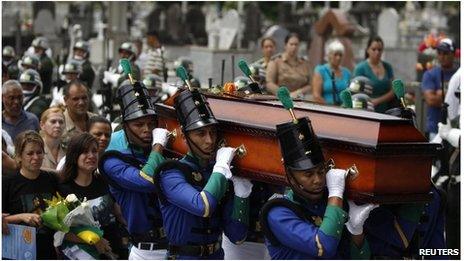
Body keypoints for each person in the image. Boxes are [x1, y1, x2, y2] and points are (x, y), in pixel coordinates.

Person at [260, 117, 377, 259]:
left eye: (321, 171)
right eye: (308, 175)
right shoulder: (278, 213)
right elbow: (323, 247)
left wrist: (356, 230)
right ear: (291, 177)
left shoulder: (332, 204)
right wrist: (336, 193)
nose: (318, 180)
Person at [154, 89, 251, 259]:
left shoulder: (220, 175)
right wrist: (221, 166)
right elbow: (202, 206)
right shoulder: (170, 172)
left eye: (213, 132)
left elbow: (237, 236)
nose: (210, 140)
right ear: (184, 136)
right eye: (201, 133)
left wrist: (242, 195)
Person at [99, 80, 171, 259]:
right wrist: (158, 147)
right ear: (125, 127)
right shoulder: (112, 161)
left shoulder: (164, 152)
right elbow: (145, 180)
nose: (147, 130)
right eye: (139, 125)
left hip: (178, 248)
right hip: (147, 252)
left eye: (151, 124)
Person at [57, 133, 127, 259]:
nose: (91, 156)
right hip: (81, 254)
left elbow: (118, 214)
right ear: (74, 155)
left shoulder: (105, 181)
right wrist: (94, 240)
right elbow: (59, 232)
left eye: (94, 151)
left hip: (113, 250)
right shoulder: (62, 188)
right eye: (85, 152)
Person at [2, 130, 58, 259]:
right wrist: (21, 217)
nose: (36, 157)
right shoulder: (7, 183)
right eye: (30, 153)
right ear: (19, 156)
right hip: (16, 251)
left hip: (47, 249)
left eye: (39, 152)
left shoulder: (51, 179)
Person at [421, 38, 458, 139]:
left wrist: (440, 93)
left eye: (445, 53)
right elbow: (431, 100)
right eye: (439, 52)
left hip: (456, 129)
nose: (442, 56)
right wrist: (453, 94)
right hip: (435, 129)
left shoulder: (459, 74)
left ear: (453, 54)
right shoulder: (430, 74)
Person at [353, 35, 395, 113]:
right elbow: (355, 92)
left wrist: (378, 101)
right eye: (374, 49)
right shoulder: (360, 68)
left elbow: (393, 90)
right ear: (368, 50)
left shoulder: (387, 67)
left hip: (386, 111)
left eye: (379, 50)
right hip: (366, 110)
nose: (377, 52)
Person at [266, 33, 311, 98]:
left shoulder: (304, 63)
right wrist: (286, 95)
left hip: (300, 100)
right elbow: (269, 83)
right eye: (291, 44)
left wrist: (299, 92)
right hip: (280, 99)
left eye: (296, 44)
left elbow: (310, 85)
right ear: (285, 45)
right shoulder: (276, 61)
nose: (294, 47)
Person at [312, 40, 352, 105]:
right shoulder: (321, 70)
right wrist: (331, 108)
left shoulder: (347, 73)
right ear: (329, 55)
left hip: (345, 110)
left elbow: (350, 95)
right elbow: (316, 96)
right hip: (326, 109)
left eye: (340, 55)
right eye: (335, 54)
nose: (338, 57)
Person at [62, 80, 97, 145]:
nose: (81, 103)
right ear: (65, 100)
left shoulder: (97, 121)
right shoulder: (58, 125)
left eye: (84, 98)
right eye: (75, 99)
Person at [39, 106, 66, 171]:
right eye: (53, 122)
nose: (58, 125)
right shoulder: (36, 148)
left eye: (61, 122)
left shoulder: (68, 149)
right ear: (42, 125)